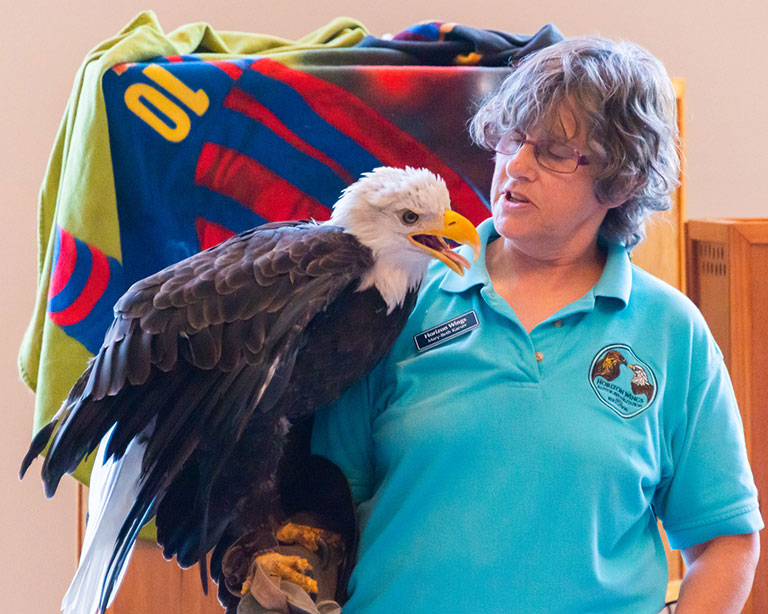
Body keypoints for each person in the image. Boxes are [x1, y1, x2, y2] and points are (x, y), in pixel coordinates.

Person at [244, 36, 763, 614]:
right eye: (512, 140)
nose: (515, 166)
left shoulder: (671, 331)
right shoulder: (397, 302)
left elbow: (723, 538)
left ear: (619, 180)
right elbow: (326, 502)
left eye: (553, 151)